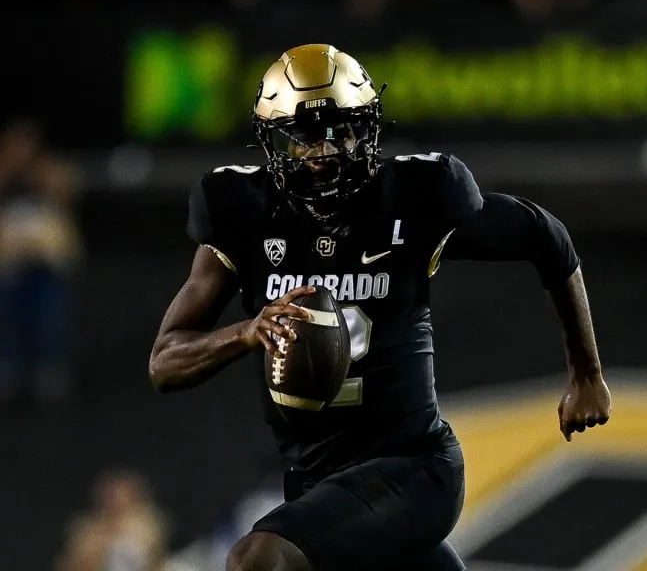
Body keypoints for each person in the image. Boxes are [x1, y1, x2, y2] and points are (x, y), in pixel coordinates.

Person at [148, 44, 611, 571]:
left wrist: (586, 372)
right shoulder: (244, 213)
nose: (322, 151)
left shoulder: (412, 198)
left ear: (365, 130)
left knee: (258, 560)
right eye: (303, 139)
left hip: (412, 467)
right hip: (319, 483)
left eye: (339, 131)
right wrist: (247, 331)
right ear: (275, 143)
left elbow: (546, 237)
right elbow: (165, 362)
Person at [0, 118, 83, 407]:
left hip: (46, 261)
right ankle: (6, 369)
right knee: (8, 319)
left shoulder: (48, 171)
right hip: (10, 263)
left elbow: (69, 187)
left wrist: (35, 170)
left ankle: (49, 369)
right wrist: (3, 165)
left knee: (49, 320)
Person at [56, 469, 171, 571]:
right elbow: (71, 563)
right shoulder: (85, 528)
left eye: (121, 493)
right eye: (110, 493)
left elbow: (156, 558)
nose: (115, 499)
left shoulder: (147, 524)